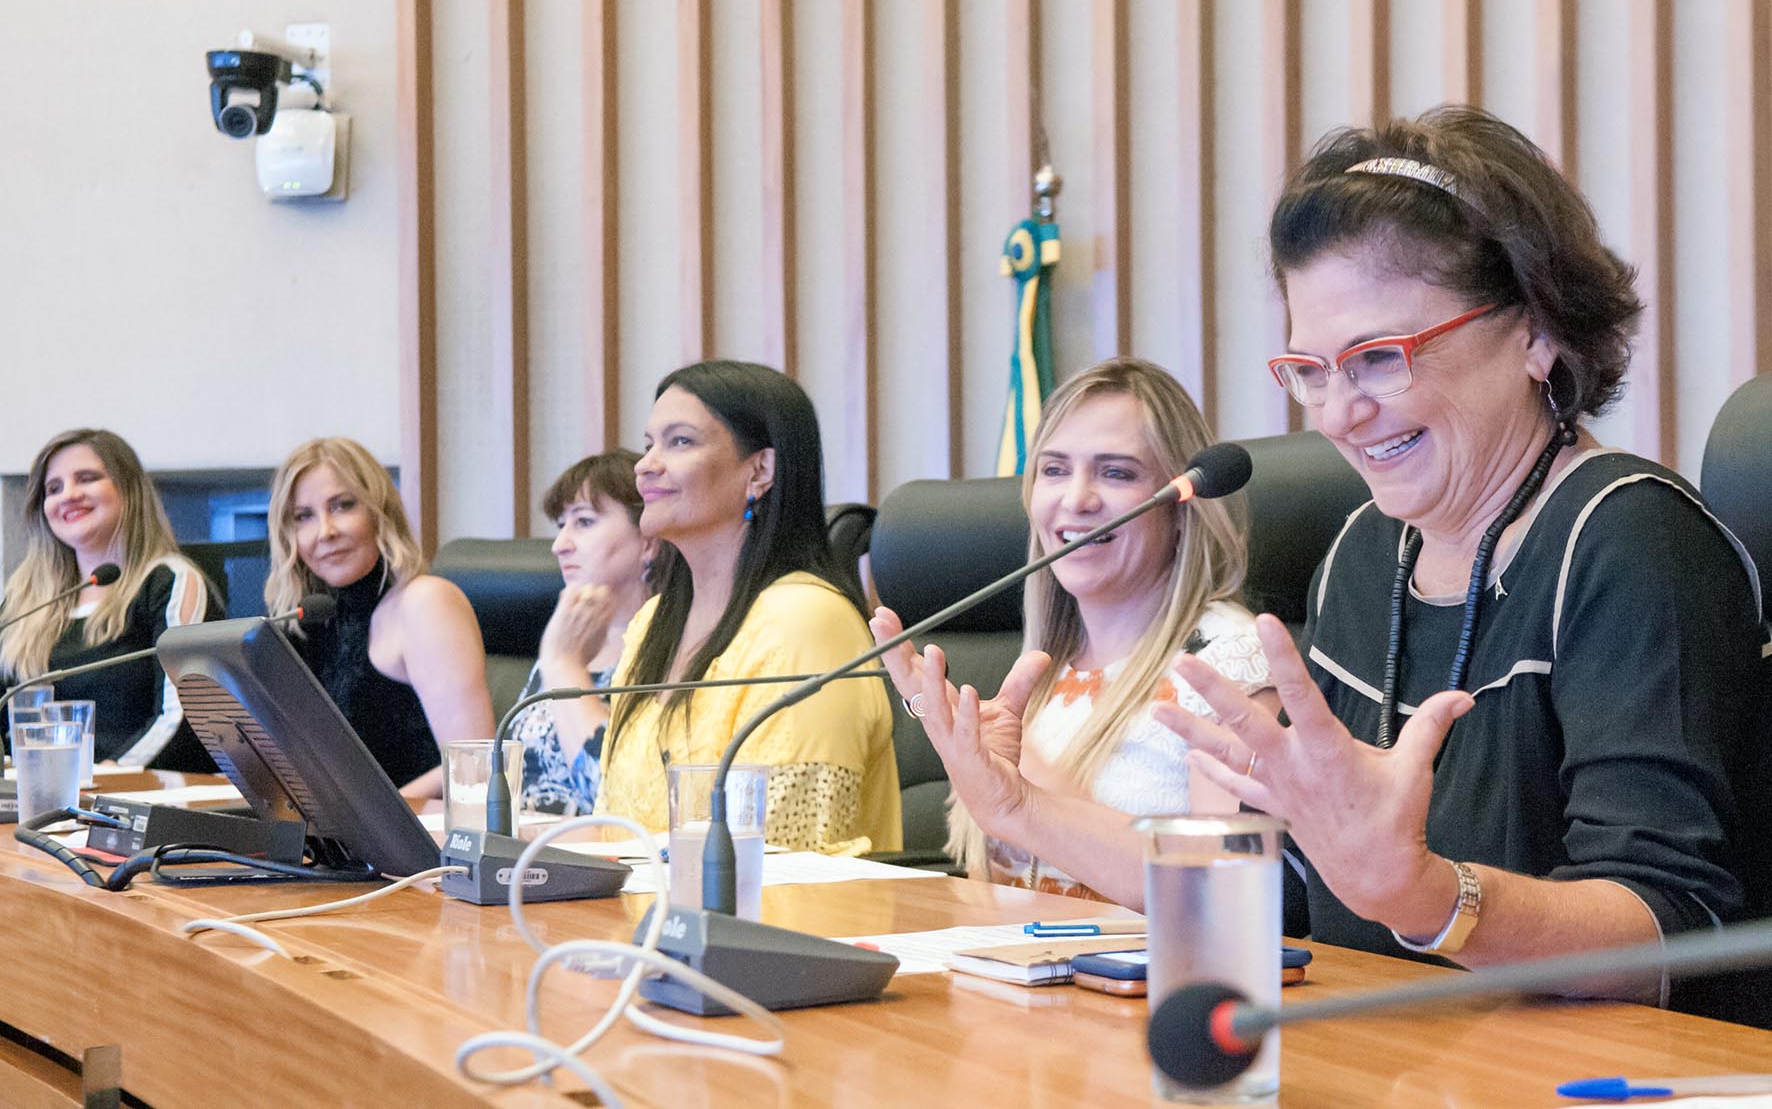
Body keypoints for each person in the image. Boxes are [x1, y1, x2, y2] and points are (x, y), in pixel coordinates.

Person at [901, 107, 1770, 1021]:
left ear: (1536, 331)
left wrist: (1427, 895)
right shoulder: (1363, 553)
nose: (1338, 414)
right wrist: (1021, 808)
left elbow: (1670, 935)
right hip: (1379, 1056)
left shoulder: (1627, 540)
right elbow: (1290, 900)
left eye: (1378, 358)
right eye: (1311, 370)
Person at [870, 357, 1271, 901]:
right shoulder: (1042, 670)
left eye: (1116, 473)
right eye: (1054, 470)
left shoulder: (1229, 661)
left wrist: (1021, 788)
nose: (1076, 499)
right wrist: (956, 741)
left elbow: (1220, 892)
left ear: (1181, 506)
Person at [594, 360, 901, 855]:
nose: (644, 465)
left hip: (782, 905)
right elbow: (610, 825)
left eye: (680, 442)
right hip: (643, 902)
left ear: (761, 469)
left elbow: (786, 851)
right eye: (649, 443)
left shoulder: (806, 621)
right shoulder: (651, 624)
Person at [265, 437, 494, 797]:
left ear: (380, 512)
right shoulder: (308, 620)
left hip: (419, 829)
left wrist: (372, 818)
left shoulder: (426, 601)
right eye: (303, 516)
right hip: (342, 831)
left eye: (343, 506)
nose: (325, 531)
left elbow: (476, 767)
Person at [0, 429, 218, 770]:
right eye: (53, 488)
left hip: (135, 792)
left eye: (86, 478)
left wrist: (109, 776)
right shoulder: (22, 599)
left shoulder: (168, 582)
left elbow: (182, 716)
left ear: (128, 489)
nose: (69, 495)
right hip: (38, 794)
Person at [509, 450, 656, 813]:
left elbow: (619, 799)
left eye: (584, 522)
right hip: (523, 844)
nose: (560, 545)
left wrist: (563, 663)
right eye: (561, 525)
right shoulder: (567, 635)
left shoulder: (673, 647)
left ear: (649, 539)